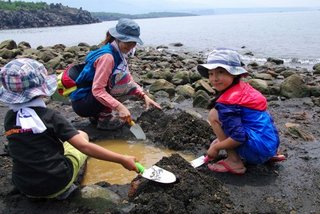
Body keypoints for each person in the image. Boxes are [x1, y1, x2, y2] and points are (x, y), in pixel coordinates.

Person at [0, 58, 138, 199]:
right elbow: (84, 147)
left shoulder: (9, 118)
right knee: (82, 135)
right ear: (42, 91)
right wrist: (122, 159)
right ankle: (66, 189)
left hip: (23, 186)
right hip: (57, 183)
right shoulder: (50, 116)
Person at [197, 48, 285, 175]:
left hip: (258, 151)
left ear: (234, 74)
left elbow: (238, 137)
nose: (214, 78)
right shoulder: (244, 89)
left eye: (220, 72)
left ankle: (234, 162)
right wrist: (220, 140)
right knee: (255, 119)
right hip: (270, 145)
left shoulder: (228, 102)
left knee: (213, 115)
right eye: (211, 73)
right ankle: (270, 154)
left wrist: (216, 147)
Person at [70, 18, 161, 130]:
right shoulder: (108, 57)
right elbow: (98, 90)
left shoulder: (117, 52)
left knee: (125, 80)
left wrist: (144, 96)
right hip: (83, 103)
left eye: (133, 42)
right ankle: (105, 118)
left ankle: (97, 115)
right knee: (122, 80)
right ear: (118, 38)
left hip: (87, 99)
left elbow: (130, 80)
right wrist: (120, 108)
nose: (131, 46)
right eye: (127, 42)